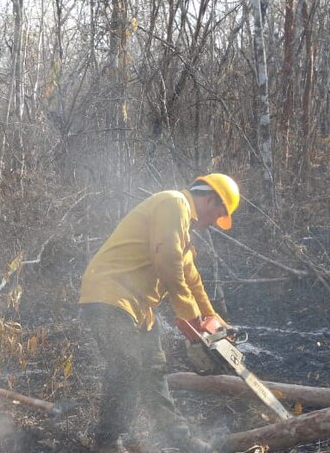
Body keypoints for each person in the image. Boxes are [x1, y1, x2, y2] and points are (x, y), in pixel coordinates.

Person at [78, 173, 240, 453]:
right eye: (219, 213)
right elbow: (167, 260)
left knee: (154, 372)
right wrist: (189, 317)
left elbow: (193, 283)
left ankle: (179, 438)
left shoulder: (184, 236)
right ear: (210, 198)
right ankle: (107, 442)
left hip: (139, 309)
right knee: (127, 365)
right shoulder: (173, 203)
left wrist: (218, 326)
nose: (216, 221)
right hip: (109, 295)